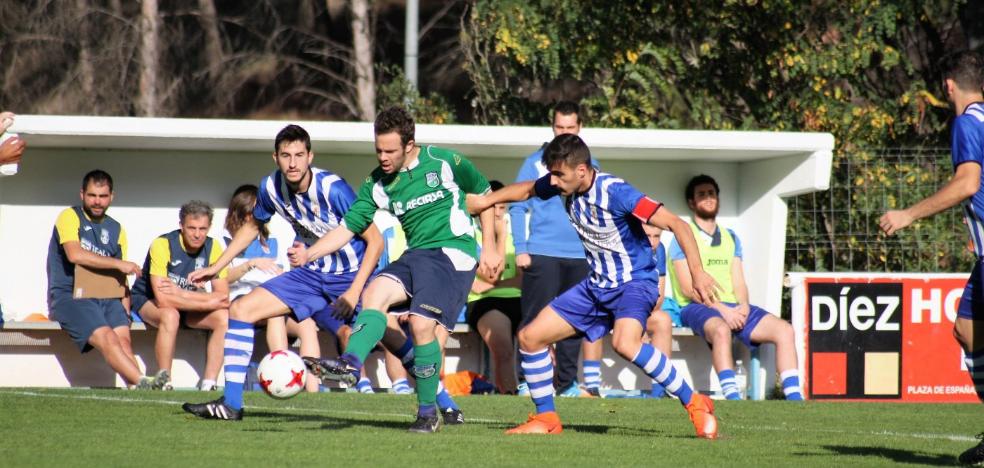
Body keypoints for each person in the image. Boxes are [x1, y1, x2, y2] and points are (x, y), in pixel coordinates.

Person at [468, 133, 720, 438]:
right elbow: (527, 190)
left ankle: (694, 402)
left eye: (559, 175)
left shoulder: (616, 191)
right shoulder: (564, 180)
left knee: (625, 343)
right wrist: (487, 200)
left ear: (582, 171)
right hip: (596, 287)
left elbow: (677, 224)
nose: (554, 182)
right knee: (530, 337)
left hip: (634, 283)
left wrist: (698, 273)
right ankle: (547, 418)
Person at [301, 106, 501, 433]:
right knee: (373, 293)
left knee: (422, 327)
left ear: (409, 145)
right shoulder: (378, 183)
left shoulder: (445, 162)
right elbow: (348, 228)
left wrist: (490, 246)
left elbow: (484, 192)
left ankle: (426, 413)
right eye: (378, 149)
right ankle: (351, 364)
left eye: (390, 150)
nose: (383, 157)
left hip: (454, 253)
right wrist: (311, 253)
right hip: (418, 255)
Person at [181, 124, 383, 420]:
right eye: (286, 155)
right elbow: (252, 226)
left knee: (395, 337)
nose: (293, 163)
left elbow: (375, 241)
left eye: (299, 155)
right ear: (275, 157)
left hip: (351, 276)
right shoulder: (270, 187)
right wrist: (217, 266)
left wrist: (354, 291)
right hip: (312, 275)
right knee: (240, 309)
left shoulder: (334, 189)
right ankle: (231, 404)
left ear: (310, 156)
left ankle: (440, 403)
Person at [879, 50, 984, 466]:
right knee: (966, 329)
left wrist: (907, 214)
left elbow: (966, 182)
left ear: (948, 87)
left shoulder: (966, 122)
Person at [668, 175, 802, 402]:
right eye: (702, 194)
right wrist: (722, 310)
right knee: (721, 330)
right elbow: (688, 289)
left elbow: (739, 282)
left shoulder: (731, 237)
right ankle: (733, 397)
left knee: (784, 330)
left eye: (712, 193)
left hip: (732, 307)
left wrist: (744, 307)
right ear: (691, 203)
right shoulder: (682, 238)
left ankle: (795, 398)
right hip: (696, 306)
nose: (709, 198)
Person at [508, 100, 599, 397]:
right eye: (559, 127)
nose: (564, 132)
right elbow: (517, 207)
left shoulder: (590, 165)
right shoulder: (534, 162)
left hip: (580, 256)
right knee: (534, 319)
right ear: (552, 126)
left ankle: (567, 383)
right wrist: (521, 248)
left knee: (574, 321)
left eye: (570, 127)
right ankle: (527, 381)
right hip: (542, 253)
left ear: (580, 127)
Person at [46, 169, 166, 389]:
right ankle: (141, 380)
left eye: (102, 196)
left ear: (112, 196)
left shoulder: (116, 228)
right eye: (92, 195)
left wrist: (126, 310)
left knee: (124, 342)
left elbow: (120, 279)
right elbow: (75, 254)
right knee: (108, 338)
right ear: (82, 194)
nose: (97, 201)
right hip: (72, 296)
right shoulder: (69, 216)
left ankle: (138, 390)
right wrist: (120, 263)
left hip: (108, 296)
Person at [222, 184, 320, 393]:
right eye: (253, 212)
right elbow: (223, 278)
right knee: (274, 312)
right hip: (242, 300)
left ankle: (313, 389)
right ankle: (283, 378)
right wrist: (251, 263)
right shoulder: (225, 241)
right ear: (241, 212)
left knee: (308, 325)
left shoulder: (271, 240)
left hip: (274, 296)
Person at [130, 200, 231, 391]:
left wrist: (181, 293)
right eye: (191, 228)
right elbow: (163, 299)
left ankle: (209, 383)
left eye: (202, 228)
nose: (197, 234)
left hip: (186, 302)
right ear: (181, 226)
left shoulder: (213, 247)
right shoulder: (163, 244)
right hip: (147, 299)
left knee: (223, 318)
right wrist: (206, 300)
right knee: (170, 314)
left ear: (209, 227)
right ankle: (164, 380)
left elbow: (223, 298)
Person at [467, 180, 523, 394]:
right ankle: (509, 394)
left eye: (502, 207)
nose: (498, 214)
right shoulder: (471, 237)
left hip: (517, 299)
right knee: (503, 348)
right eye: (493, 208)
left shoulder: (516, 238)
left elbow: (522, 280)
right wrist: (499, 238)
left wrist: (490, 285)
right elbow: (493, 271)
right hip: (485, 304)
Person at [642, 224, 674, 399]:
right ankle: (592, 386)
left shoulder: (658, 250)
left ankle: (660, 389)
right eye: (648, 235)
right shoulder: (623, 246)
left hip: (641, 311)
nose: (653, 242)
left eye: (657, 236)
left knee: (663, 319)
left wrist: (641, 319)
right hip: (618, 309)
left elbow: (659, 295)